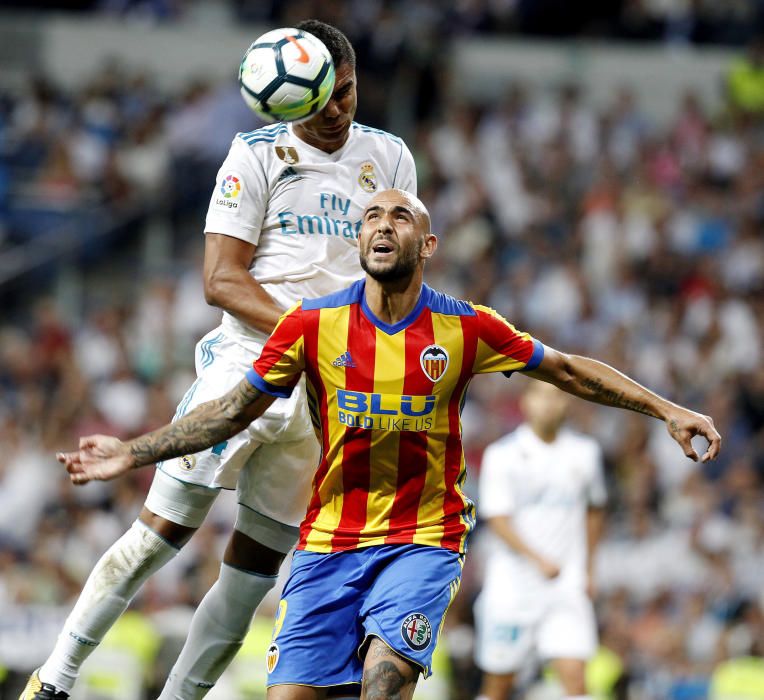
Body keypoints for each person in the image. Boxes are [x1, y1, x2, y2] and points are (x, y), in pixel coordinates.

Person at [56, 189, 721, 700]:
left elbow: (569, 369)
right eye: (371, 216)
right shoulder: (313, 326)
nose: (381, 224)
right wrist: (135, 452)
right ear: (357, 240)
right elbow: (232, 412)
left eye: (399, 217)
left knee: (384, 679)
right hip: (327, 543)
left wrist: (665, 409)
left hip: (422, 539)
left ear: (427, 242)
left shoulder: (465, 327)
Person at [20, 21, 417, 700]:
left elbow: (395, 270)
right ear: (290, 96)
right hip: (246, 367)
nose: (335, 108)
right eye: (322, 96)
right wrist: (320, 333)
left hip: (328, 395)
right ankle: (52, 682)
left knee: (250, 576)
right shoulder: (254, 154)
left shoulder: (391, 156)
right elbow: (222, 280)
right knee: (158, 537)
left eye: (345, 92)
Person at [474, 381, 606, 700]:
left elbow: (594, 509)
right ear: (526, 403)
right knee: (499, 685)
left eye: (557, 397)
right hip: (513, 585)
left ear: (567, 404)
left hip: (565, 584)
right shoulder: (502, 455)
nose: (549, 404)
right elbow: (497, 519)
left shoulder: (585, 453)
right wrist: (537, 559)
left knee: (576, 679)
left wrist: (588, 569)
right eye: (542, 396)